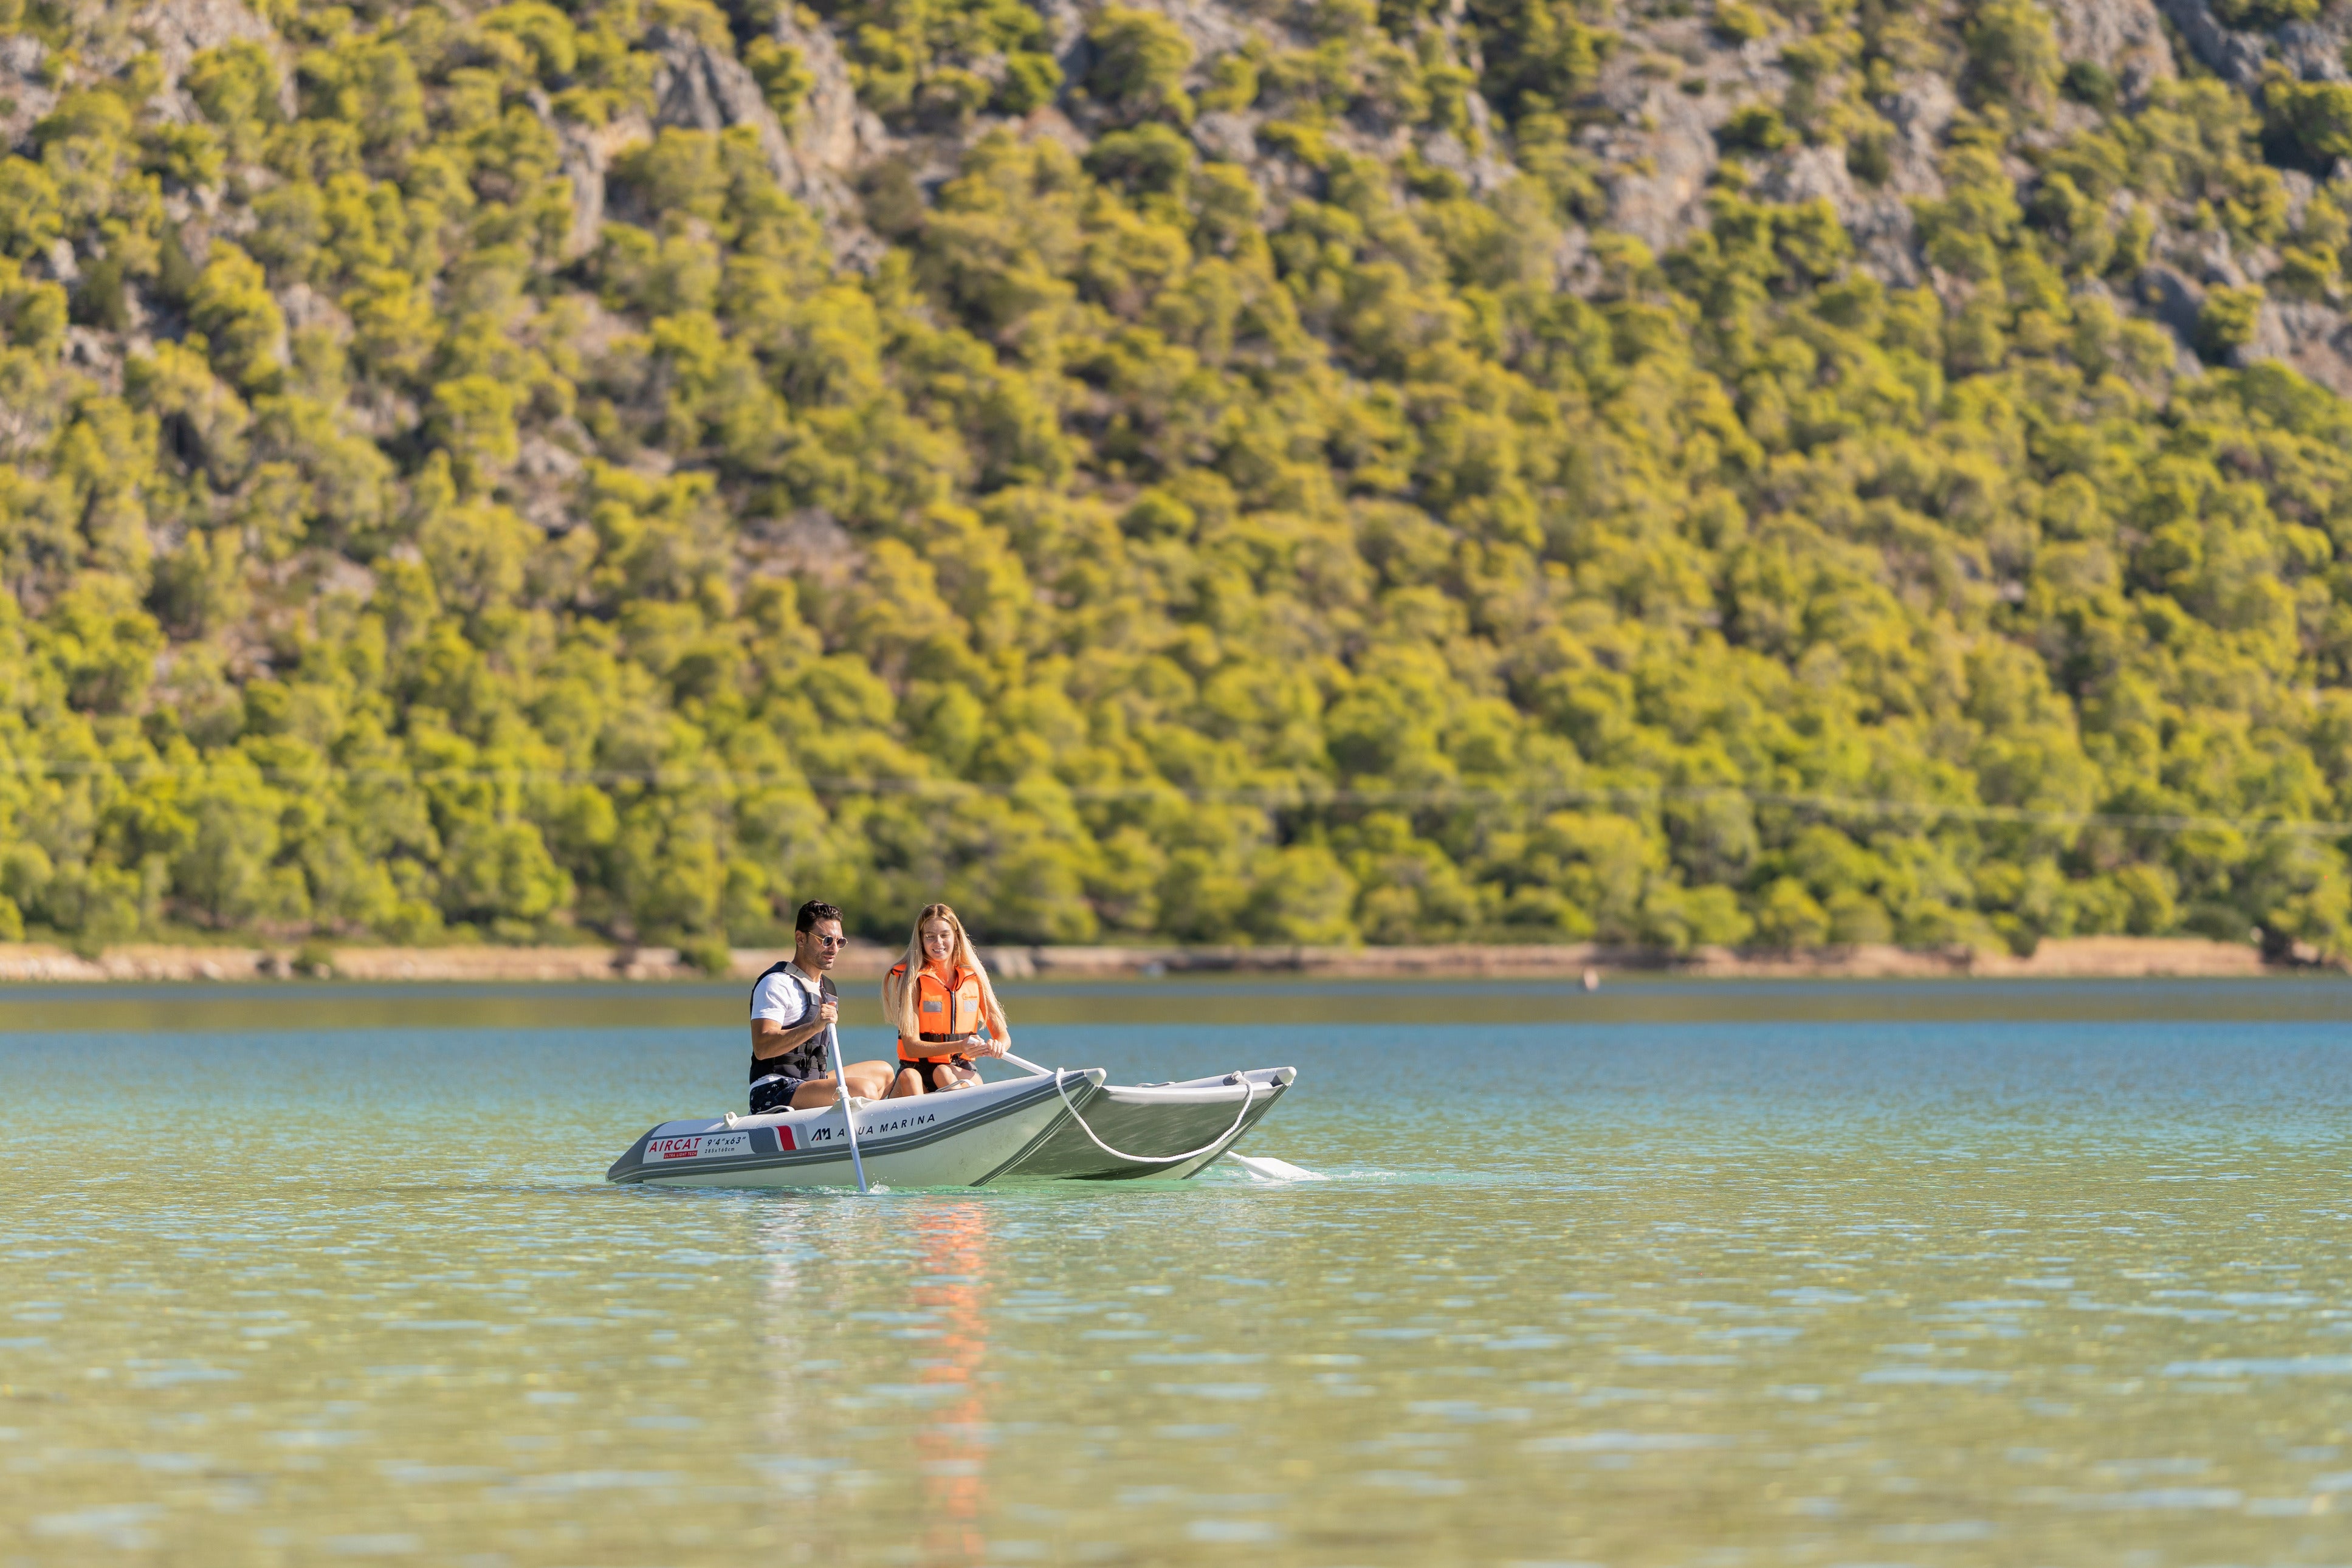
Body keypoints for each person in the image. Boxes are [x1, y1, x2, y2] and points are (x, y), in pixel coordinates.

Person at [748, 900, 900, 1115]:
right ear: (801, 938)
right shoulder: (776, 983)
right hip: (774, 1090)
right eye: (826, 940)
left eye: (840, 942)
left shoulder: (827, 988)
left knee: (883, 1072)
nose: (834, 949)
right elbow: (763, 1048)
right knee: (862, 1090)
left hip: (810, 1082)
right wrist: (814, 1026)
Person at [882, 903, 1012, 1095]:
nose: (938, 942)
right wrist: (960, 1045)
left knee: (944, 1072)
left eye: (945, 935)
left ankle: (971, 1112)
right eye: (930, 936)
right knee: (924, 1074)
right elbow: (911, 1047)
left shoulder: (973, 978)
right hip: (918, 1071)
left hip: (959, 1069)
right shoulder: (913, 981)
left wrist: (998, 1046)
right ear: (921, 940)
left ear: (956, 937)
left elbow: (1003, 1036)